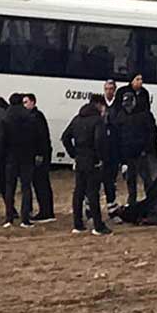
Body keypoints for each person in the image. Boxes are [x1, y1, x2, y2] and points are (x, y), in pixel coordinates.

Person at [61, 94, 113, 235]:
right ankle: (98, 226)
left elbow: (65, 137)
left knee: (79, 192)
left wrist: (74, 154)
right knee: (92, 193)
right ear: (99, 105)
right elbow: (99, 141)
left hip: (80, 160)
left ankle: (77, 224)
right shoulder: (98, 121)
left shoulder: (77, 118)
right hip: (92, 161)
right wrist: (100, 158)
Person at [0, 93, 41, 229]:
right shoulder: (30, 116)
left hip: (11, 156)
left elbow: (2, 139)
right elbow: (35, 138)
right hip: (26, 156)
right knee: (26, 187)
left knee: (9, 187)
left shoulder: (6, 117)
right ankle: (25, 218)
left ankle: (9, 217)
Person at [118, 88, 157, 206]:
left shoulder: (144, 115)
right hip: (128, 155)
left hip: (142, 154)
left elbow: (153, 133)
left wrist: (146, 149)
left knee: (147, 179)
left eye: (129, 104)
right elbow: (118, 136)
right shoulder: (121, 116)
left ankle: (151, 202)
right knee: (130, 180)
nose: (128, 107)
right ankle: (132, 202)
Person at [24, 94, 56, 223]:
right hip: (40, 154)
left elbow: (42, 138)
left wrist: (40, 154)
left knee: (41, 183)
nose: (24, 105)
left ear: (33, 102)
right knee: (39, 183)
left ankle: (46, 211)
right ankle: (46, 210)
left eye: (26, 102)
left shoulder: (36, 117)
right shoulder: (34, 116)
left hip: (41, 155)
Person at [102, 80, 122, 211]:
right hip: (101, 149)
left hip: (114, 150)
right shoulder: (99, 104)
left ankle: (112, 207)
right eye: (107, 89)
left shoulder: (118, 106)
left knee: (111, 181)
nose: (109, 91)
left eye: (111, 89)